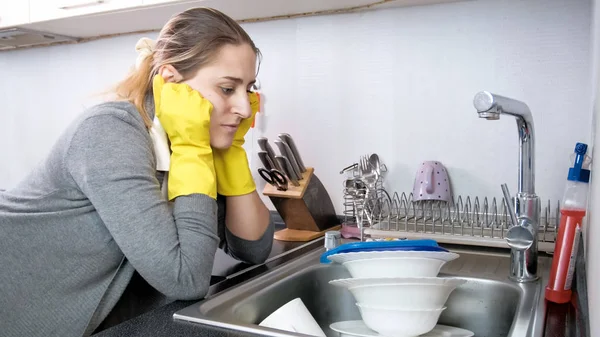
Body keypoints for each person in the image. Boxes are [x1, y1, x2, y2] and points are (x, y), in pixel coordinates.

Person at [0, 7, 274, 337]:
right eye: (228, 89)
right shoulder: (110, 132)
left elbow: (254, 250)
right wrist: (193, 150)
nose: (245, 108)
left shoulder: (190, 142)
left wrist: (231, 156)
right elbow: (184, 279)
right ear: (172, 80)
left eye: (249, 88)